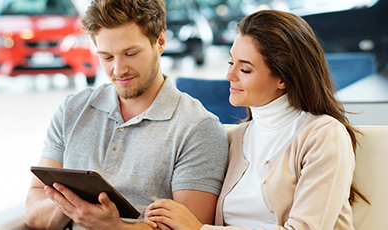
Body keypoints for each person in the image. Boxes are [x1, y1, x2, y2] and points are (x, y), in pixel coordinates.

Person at [145, 10, 369, 230]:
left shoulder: (324, 134)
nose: (230, 76)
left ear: (282, 78)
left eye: (245, 69)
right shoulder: (238, 137)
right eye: (230, 63)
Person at [24, 0, 229, 229]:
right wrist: (75, 206)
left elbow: (192, 227)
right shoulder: (72, 110)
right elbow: (33, 211)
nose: (119, 70)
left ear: (160, 42)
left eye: (130, 54)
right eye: (107, 57)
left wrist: (116, 227)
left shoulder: (198, 128)